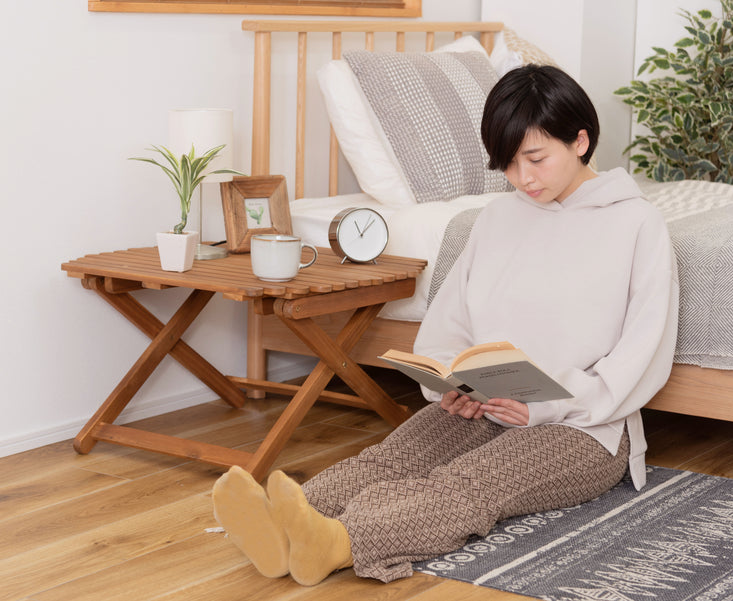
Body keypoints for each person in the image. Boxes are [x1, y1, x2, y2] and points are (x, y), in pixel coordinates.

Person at [211, 64, 679, 586]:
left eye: (536, 159)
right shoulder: (497, 218)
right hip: (485, 402)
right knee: (389, 460)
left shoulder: (637, 224)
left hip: (586, 425)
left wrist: (546, 404)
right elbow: (449, 322)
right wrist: (451, 387)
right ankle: (280, 526)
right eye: (507, 164)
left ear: (581, 141)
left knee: (466, 484)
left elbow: (644, 352)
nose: (523, 178)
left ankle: (338, 544)